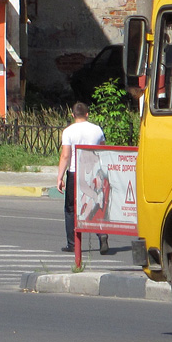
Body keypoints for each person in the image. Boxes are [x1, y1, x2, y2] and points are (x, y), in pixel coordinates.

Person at [56, 102, 109, 254]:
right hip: (94, 173)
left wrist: (60, 177)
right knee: (96, 205)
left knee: (71, 209)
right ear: (87, 114)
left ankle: (72, 243)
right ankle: (102, 234)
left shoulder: (68, 131)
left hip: (75, 172)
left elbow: (66, 155)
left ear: (72, 115)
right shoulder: (97, 129)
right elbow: (103, 150)